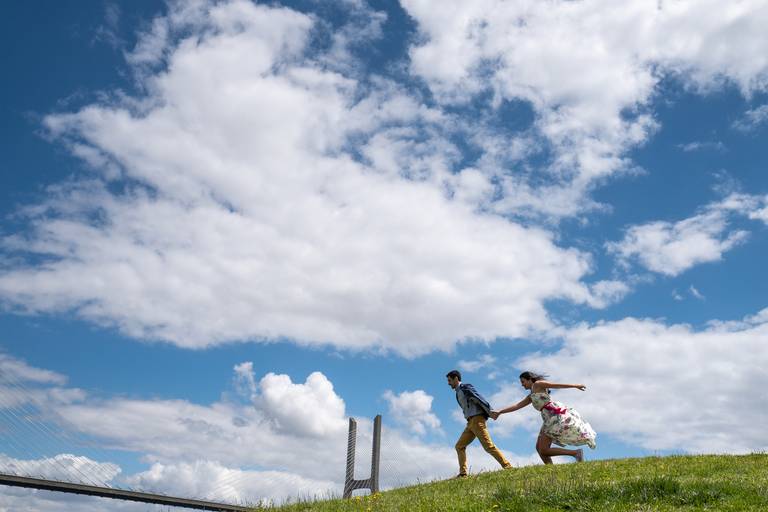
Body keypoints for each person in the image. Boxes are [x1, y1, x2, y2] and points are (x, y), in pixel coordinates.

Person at [491, 371, 596, 464]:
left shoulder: (537, 384)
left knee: (543, 450)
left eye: (523, 382)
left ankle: (575, 453)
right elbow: (517, 406)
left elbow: (555, 385)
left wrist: (575, 385)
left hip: (553, 415)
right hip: (548, 418)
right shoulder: (531, 395)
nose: (522, 385)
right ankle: (550, 469)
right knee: (539, 448)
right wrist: (500, 411)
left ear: (530, 379)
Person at [446, 369, 512, 477]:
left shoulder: (465, 387)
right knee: (459, 446)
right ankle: (463, 474)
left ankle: (508, 467)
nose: (448, 383)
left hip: (477, 420)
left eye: (450, 380)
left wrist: (490, 411)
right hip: (470, 423)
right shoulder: (458, 393)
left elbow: (478, 398)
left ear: (456, 379)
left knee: (489, 447)